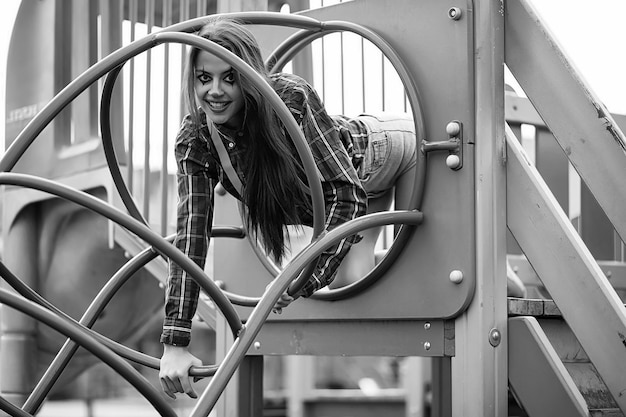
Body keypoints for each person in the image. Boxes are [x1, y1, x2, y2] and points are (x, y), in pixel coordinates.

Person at [158, 16, 417, 399]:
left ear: (249, 76)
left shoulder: (289, 102)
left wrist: (303, 276)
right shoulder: (196, 140)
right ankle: (382, 373)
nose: (215, 91)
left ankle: (500, 286)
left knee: (418, 263)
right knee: (357, 279)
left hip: (390, 152)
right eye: (204, 78)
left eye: (230, 78)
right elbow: (190, 237)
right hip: (348, 191)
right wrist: (175, 341)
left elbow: (345, 195)